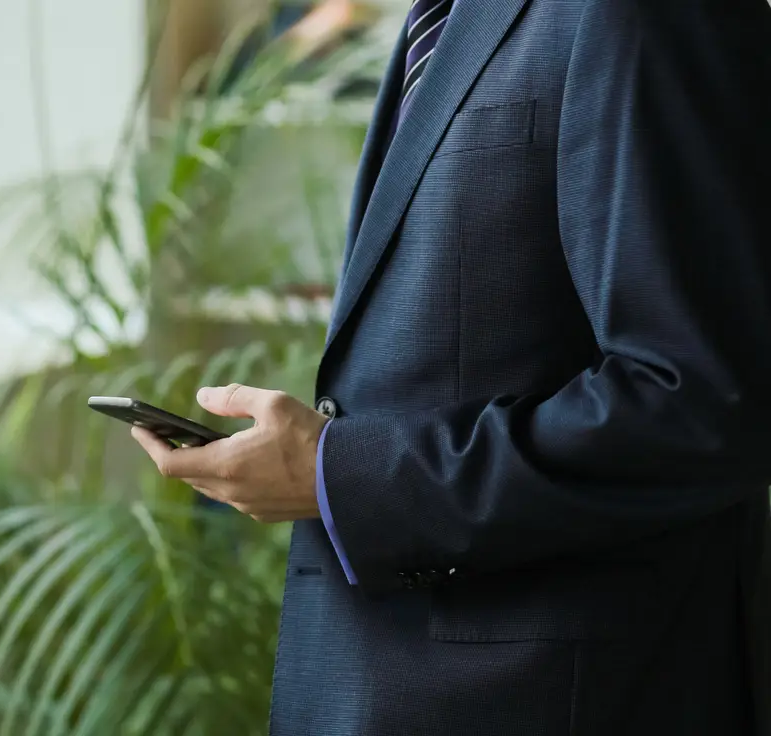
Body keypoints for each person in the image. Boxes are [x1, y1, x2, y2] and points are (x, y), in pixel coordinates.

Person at [131, 0, 771, 733]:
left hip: (547, 698)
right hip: (399, 680)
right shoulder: (441, 15)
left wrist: (339, 476)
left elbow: (704, 403)